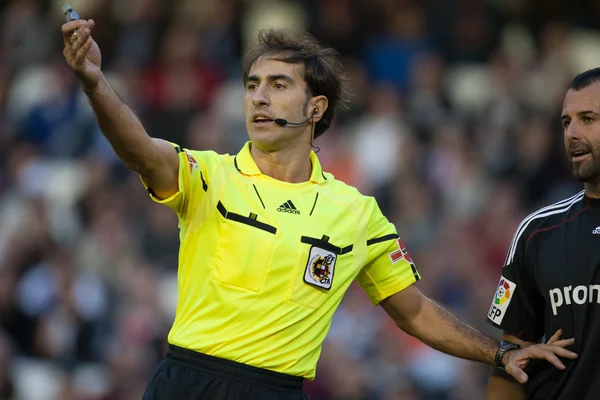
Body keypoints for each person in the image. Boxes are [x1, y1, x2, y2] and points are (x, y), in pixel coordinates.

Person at [61, 17, 577, 400]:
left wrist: (500, 352)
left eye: (278, 85)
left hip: (275, 390)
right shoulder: (209, 174)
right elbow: (137, 149)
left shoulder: (354, 211)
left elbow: (415, 311)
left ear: (316, 108)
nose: (259, 98)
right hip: (184, 381)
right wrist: (93, 81)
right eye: (252, 86)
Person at [486, 68, 600, 400]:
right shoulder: (536, 232)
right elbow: (511, 356)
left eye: (588, 119)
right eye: (567, 123)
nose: (572, 133)